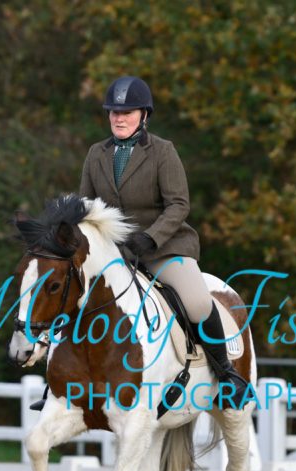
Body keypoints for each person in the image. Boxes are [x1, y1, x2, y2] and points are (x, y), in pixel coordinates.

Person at [78, 75, 248, 404]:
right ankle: (60, 383)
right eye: (114, 112)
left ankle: (226, 373)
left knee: (197, 303)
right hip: (114, 254)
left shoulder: (162, 151)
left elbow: (179, 205)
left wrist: (150, 238)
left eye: (127, 112)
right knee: (70, 294)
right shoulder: (96, 154)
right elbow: (86, 206)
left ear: (144, 115)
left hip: (163, 248)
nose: (118, 118)